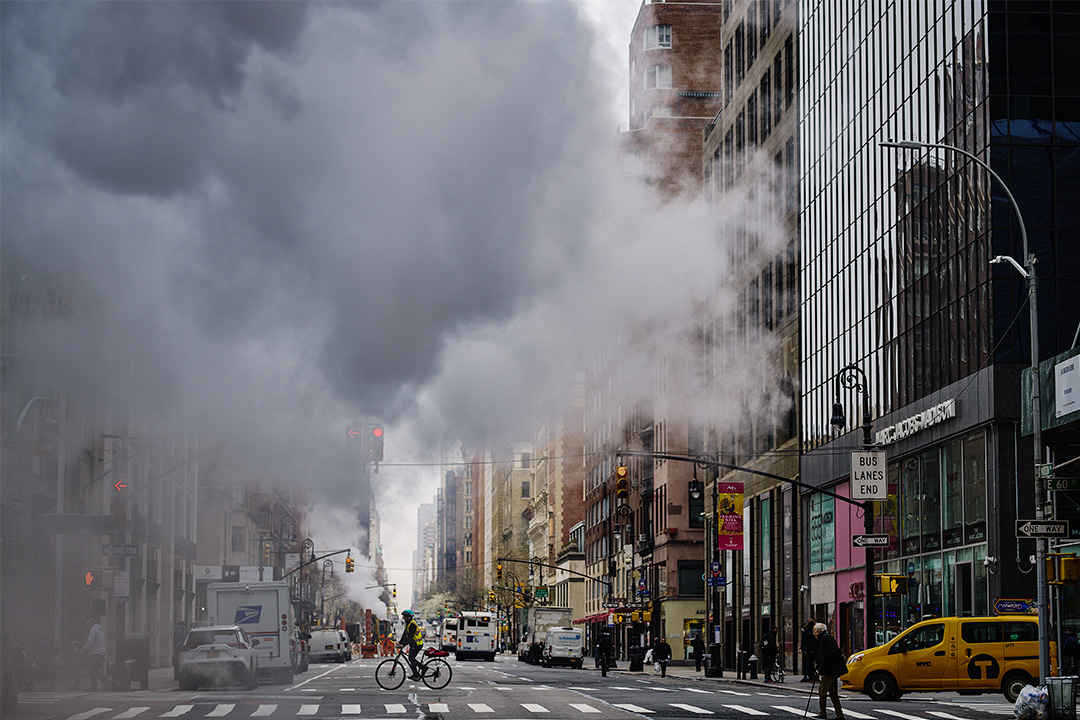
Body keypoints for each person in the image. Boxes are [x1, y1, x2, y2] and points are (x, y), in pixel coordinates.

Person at [813, 622, 846, 720]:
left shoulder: (825, 638)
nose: (814, 633)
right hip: (830, 669)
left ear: (819, 631)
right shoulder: (824, 638)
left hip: (829, 670)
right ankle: (839, 714)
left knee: (822, 691)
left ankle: (822, 713)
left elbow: (833, 651)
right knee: (833, 693)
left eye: (815, 631)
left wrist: (822, 666)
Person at [71, 616, 107, 691]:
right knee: (93, 669)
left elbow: (89, 641)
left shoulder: (92, 630)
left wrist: (83, 649)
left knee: (94, 669)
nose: (87, 625)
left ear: (92, 623)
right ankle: (93, 686)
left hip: (94, 652)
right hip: (99, 652)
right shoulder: (100, 630)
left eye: (88, 623)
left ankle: (106, 681)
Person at [398, 610, 423, 680]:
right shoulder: (408, 624)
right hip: (413, 644)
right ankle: (423, 668)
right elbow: (405, 634)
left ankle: (416, 674)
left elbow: (409, 637)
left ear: (409, 617)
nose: (404, 618)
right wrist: (400, 642)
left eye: (405, 616)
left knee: (411, 658)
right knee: (412, 658)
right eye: (404, 616)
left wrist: (403, 644)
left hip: (417, 644)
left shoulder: (412, 624)